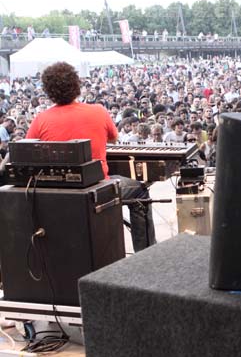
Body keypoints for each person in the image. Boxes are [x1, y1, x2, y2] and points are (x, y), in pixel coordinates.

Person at [26, 62, 156, 252]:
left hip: (58, 195)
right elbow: (113, 138)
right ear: (77, 85)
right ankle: (147, 254)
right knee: (140, 191)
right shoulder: (98, 111)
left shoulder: (40, 120)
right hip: (98, 189)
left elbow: (28, 151)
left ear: (48, 90)